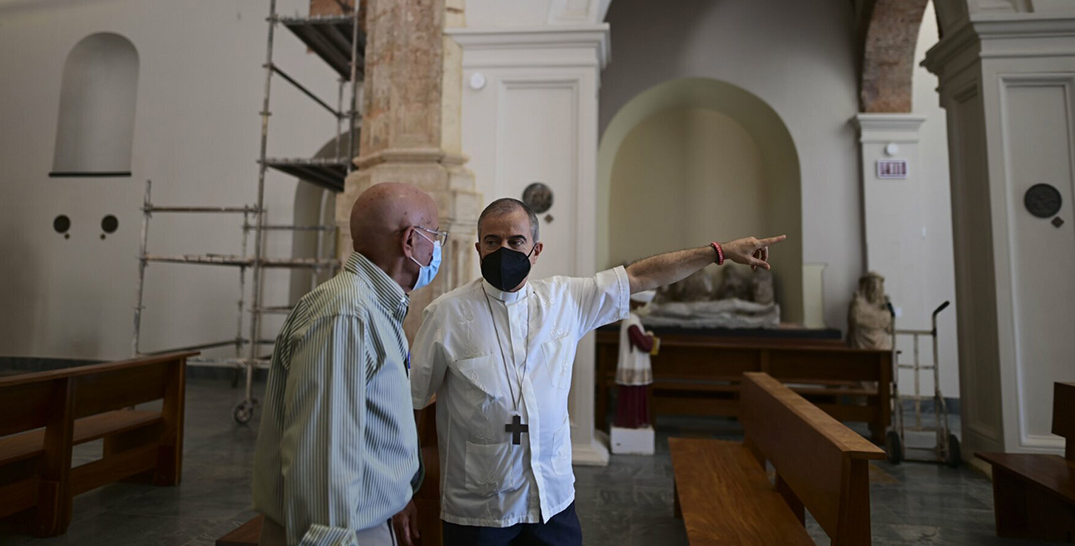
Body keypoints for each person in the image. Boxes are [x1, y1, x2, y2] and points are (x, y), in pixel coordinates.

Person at [409, 197, 785, 545]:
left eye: (516, 241)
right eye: (492, 242)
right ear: (478, 249)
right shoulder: (445, 314)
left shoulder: (566, 300)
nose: (503, 251)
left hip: (551, 500)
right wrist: (402, 492)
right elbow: (408, 404)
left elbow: (640, 277)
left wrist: (717, 252)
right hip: (479, 508)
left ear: (536, 250)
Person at [253, 182, 445, 546]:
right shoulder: (346, 315)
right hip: (345, 533)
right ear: (410, 241)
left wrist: (398, 495)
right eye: (435, 235)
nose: (437, 247)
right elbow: (323, 461)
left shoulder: (375, 307)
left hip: (371, 521)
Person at [614, 290, 659, 429]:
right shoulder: (631, 322)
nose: (649, 310)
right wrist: (650, 338)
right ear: (639, 305)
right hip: (632, 366)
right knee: (633, 397)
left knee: (635, 396)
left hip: (635, 364)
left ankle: (635, 421)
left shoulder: (633, 320)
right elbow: (644, 344)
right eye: (647, 306)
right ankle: (631, 422)